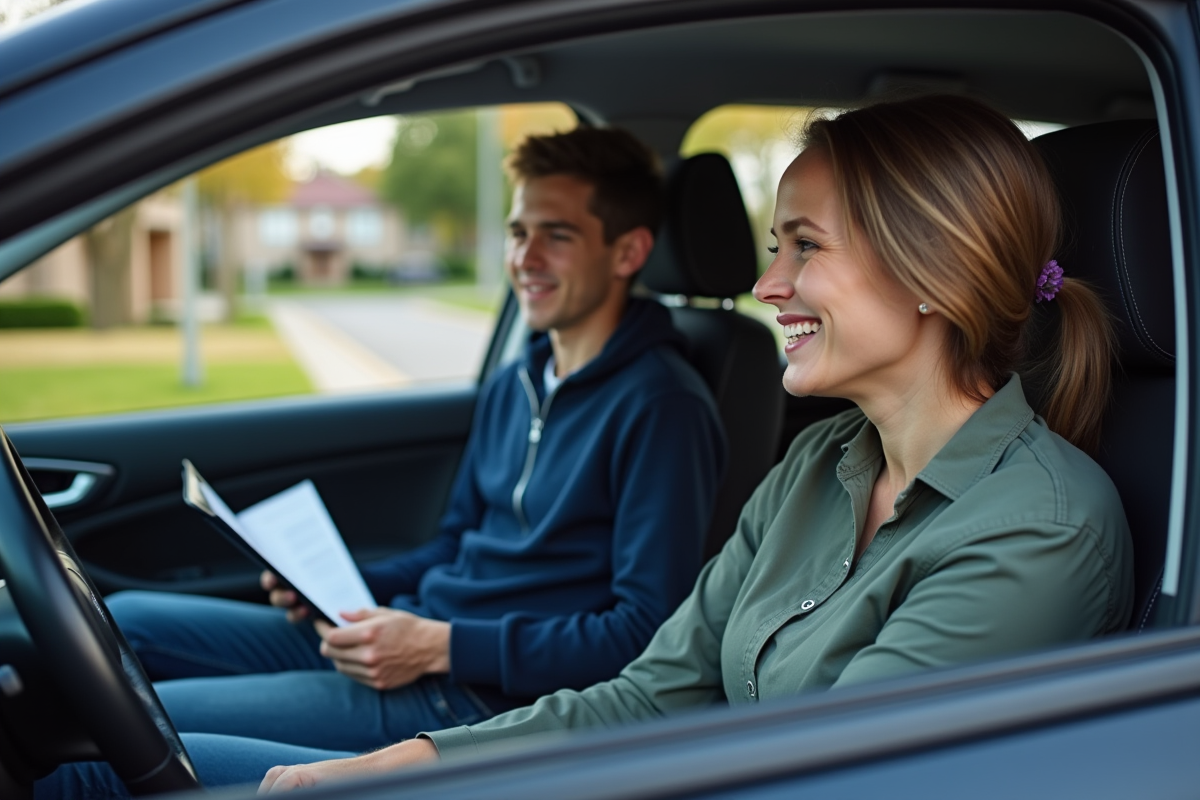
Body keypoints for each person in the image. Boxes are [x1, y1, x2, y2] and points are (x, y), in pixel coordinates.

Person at [254, 95, 1135, 793]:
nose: (768, 284)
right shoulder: (817, 465)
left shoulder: (1039, 529)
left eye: (804, 247)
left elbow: (828, 775)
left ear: (931, 271)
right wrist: (418, 762)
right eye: (771, 246)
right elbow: (651, 692)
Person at [35, 126, 727, 799]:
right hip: (411, 637)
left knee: (119, 747)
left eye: (559, 235)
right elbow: (454, 544)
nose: (526, 257)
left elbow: (644, 636)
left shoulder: (663, 406)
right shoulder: (520, 377)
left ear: (629, 251)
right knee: (127, 621)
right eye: (519, 232)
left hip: (477, 701)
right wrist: (338, 586)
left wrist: (443, 647)